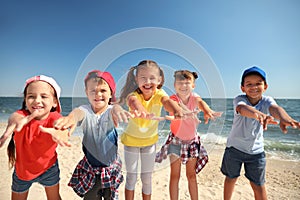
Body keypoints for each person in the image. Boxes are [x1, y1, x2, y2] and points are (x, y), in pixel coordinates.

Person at [220, 66, 300, 200]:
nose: (254, 87)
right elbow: (242, 108)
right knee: (230, 178)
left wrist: (284, 118)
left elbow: (275, 109)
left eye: (258, 83)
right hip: (234, 149)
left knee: (258, 185)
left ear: (265, 86)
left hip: (256, 152)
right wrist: (258, 114)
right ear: (242, 88)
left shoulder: (267, 100)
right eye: (249, 84)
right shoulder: (239, 99)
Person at [54, 70, 131, 200]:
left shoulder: (111, 111)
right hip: (91, 169)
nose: (98, 95)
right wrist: (71, 118)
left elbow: (115, 109)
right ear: (86, 93)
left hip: (110, 169)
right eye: (93, 91)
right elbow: (78, 113)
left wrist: (118, 110)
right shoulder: (86, 110)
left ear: (111, 93)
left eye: (103, 91)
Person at [118, 60, 184, 200]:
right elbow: (134, 103)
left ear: (159, 79)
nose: (148, 82)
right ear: (136, 80)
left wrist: (177, 109)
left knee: (147, 178)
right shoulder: (133, 95)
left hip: (149, 143)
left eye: (152, 78)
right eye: (143, 78)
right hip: (131, 142)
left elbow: (167, 102)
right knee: (131, 177)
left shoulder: (160, 94)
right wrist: (142, 111)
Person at [155, 70, 222, 200]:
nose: (183, 86)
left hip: (192, 142)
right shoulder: (174, 99)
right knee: (175, 175)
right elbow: (170, 107)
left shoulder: (194, 97)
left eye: (187, 83)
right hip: (175, 141)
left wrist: (207, 110)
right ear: (175, 84)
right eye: (180, 82)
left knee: (191, 175)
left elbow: (201, 102)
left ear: (193, 86)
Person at [0, 75, 69, 200]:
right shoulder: (22, 116)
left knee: (54, 197)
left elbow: (61, 125)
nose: (37, 100)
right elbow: (15, 117)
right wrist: (14, 122)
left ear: (55, 102)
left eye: (43, 96)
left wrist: (62, 133)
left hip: (49, 168)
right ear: (25, 100)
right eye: (31, 96)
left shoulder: (54, 117)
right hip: (22, 171)